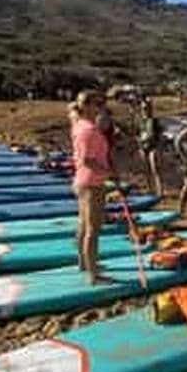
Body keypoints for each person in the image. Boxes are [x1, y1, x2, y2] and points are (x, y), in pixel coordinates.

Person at [71, 90, 113, 284]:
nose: (101, 108)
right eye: (98, 104)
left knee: (83, 225)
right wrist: (108, 173)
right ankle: (93, 274)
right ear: (86, 106)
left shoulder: (81, 125)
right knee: (92, 230)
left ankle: (84, 264)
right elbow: (88, 160)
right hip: (91, 183)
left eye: (102, 104)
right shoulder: (87, 130)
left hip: (83, 181)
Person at [137, 97, 164, 198]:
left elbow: (159, 135)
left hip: (153, 146)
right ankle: (149, 188)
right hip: (143, 146)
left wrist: (159, 147)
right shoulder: (141, 121)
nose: (145, 111)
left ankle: (160, 190)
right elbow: (139, 134)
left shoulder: (154, 121)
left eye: (147, 108)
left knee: (155, 169)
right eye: (144, 109)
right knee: (146, 169)